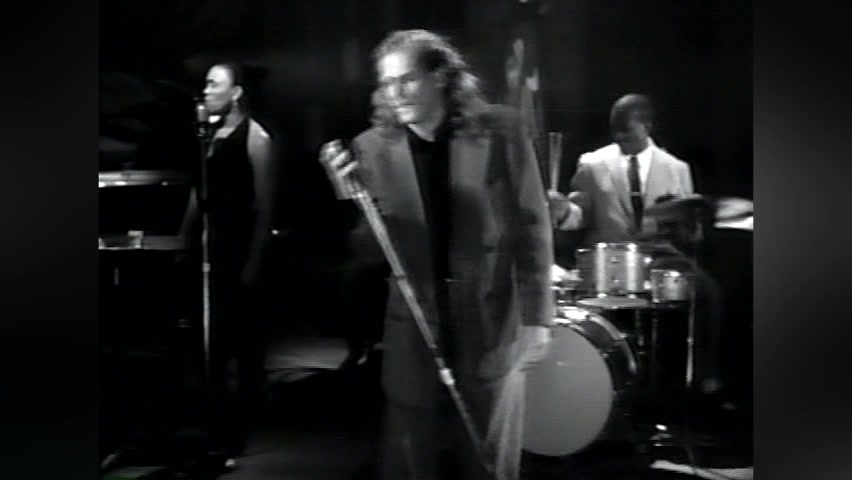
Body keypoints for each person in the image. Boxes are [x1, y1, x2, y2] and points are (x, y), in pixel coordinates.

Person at [319, 29, 553, 480]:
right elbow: (369, 251)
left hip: (490, 319)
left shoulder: (501, 132)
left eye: (407, 79)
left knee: (490, 461)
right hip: (414, 327)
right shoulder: (372, 147)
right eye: (387, 83)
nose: (395, 93)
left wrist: (537, 319)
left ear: (441, 76)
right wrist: (349, 197)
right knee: (409, 463)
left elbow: (531, 227)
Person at [180, 62, 276, 465]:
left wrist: (254, 261)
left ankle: (236, 428)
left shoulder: (256, 138)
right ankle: (212, 424)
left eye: (214, 83)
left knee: (241, 344)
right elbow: (199, 190)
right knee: (210, 343)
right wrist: (184, 236)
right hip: (211, 251)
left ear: (236, 92)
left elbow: (266, 206)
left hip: (238, 249)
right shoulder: (209, 136)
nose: (205, 90)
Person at [549, 93, 694, 245]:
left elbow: (687, 229)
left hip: (660, 258)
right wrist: (564, 211)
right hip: (609, 257)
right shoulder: (592, 164)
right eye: (614, 129)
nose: (618, 136)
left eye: (625, 129)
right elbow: (581, 215)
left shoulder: (677, 169)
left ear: (646, 127)